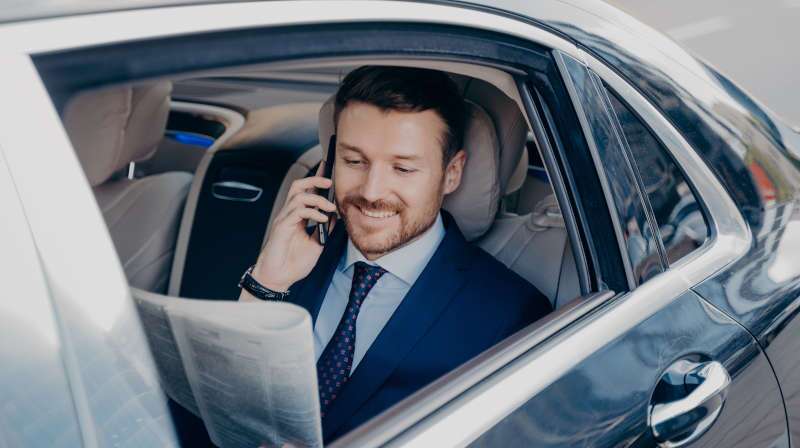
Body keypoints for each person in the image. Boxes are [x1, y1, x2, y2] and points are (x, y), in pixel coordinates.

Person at [239, 66, 551, 442]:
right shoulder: (292, 253)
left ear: (451, 174)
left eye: (402, 168)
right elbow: (226, 398)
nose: (372, 191)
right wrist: (266, 284)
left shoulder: (509, 316)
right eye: (354, 162)